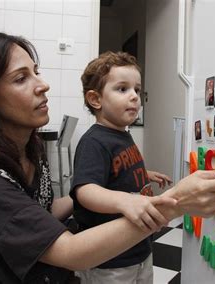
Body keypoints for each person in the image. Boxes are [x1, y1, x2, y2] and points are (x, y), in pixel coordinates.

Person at [0, 33, 215, 284]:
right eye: (21, 78)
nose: (43, 85)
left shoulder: (29, 148)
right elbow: (70, 252)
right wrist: (174, 203)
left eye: (36, 71)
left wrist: (99, 186)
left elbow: (39, 212)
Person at [70, 51, 179, 283]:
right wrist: (124, 201)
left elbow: (116, 171)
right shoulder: (94, 141)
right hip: (110, 259)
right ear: (96, 99)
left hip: (138, 246)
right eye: (123, 89)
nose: (134, 97)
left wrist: (144, 174)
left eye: (137, 90)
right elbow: (85, 190)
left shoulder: (122, 135)